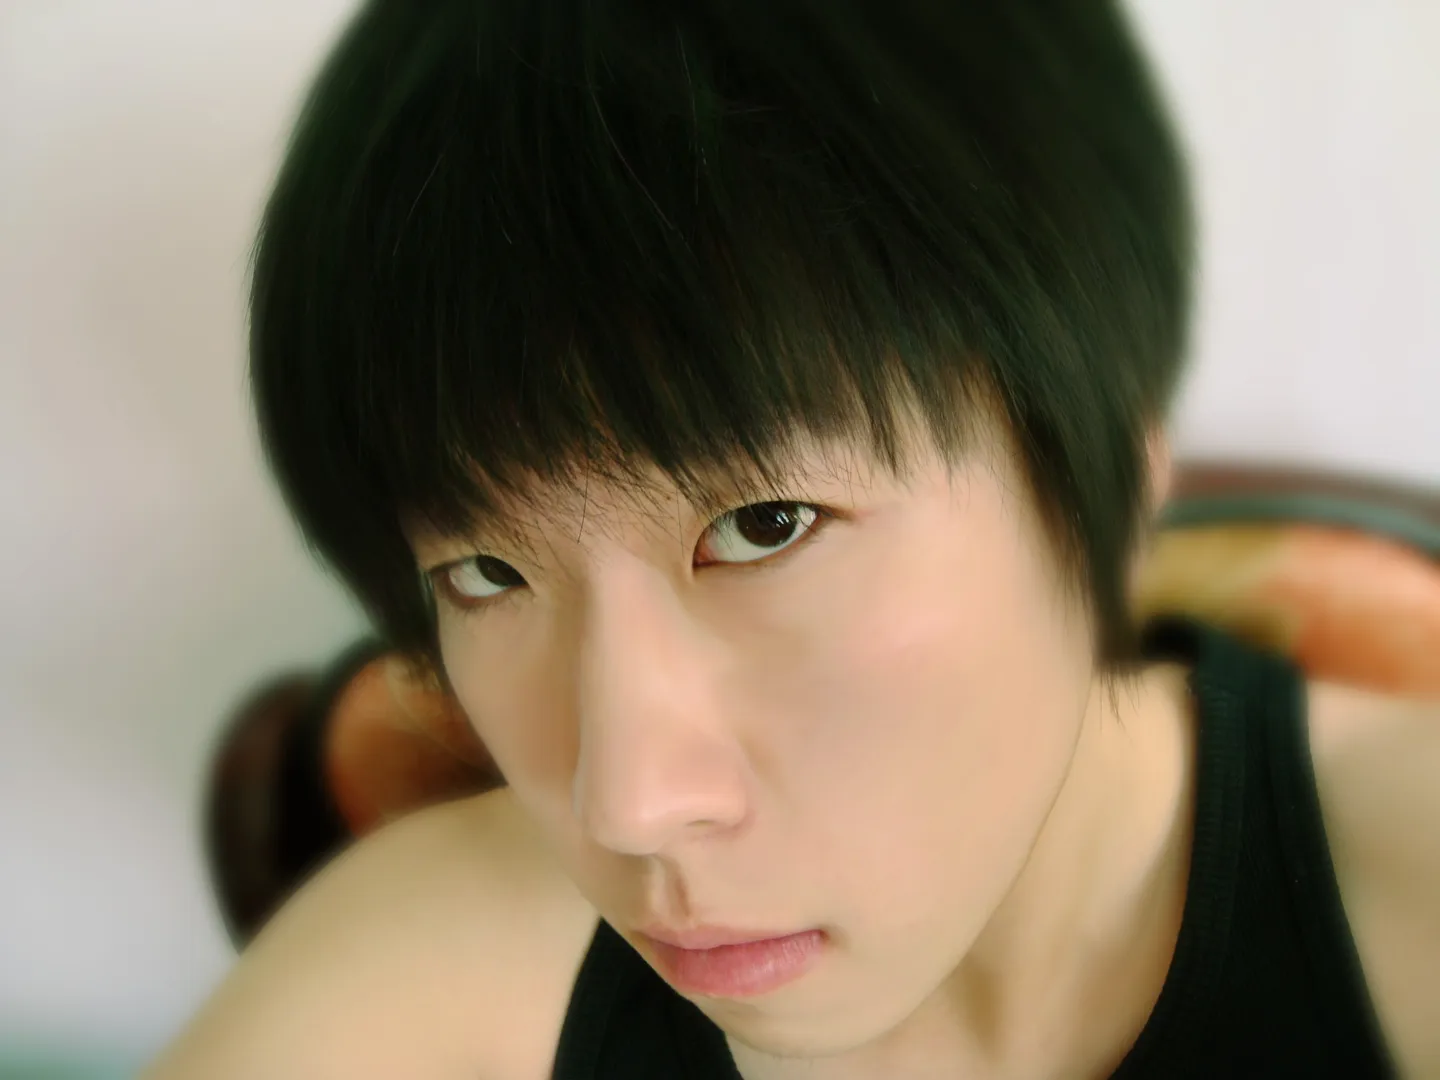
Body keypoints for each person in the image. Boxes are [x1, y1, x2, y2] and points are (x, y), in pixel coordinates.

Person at [146, 1, 1440, 1077]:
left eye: (766, 527)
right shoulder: (447, 971)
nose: (630, 805)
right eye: (486, 572)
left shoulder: (1403, 885)